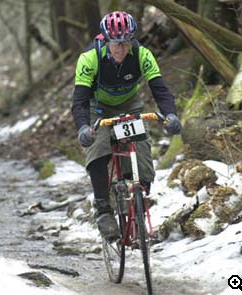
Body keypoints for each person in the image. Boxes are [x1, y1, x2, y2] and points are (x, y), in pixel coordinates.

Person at [71, 11, 181, 241]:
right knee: (98, 146)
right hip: (97, 106)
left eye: (125, 42)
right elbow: (79, 100)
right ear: (106, 40)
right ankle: (103, 207)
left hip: (130, 103)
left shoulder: (142, 55)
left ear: (131, 39)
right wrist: (83, 127)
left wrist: (170, 114)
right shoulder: (90, 58)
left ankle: (138, 198)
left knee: (142, 154)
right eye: (115, 44)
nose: (120, 49)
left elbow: (160, 89)